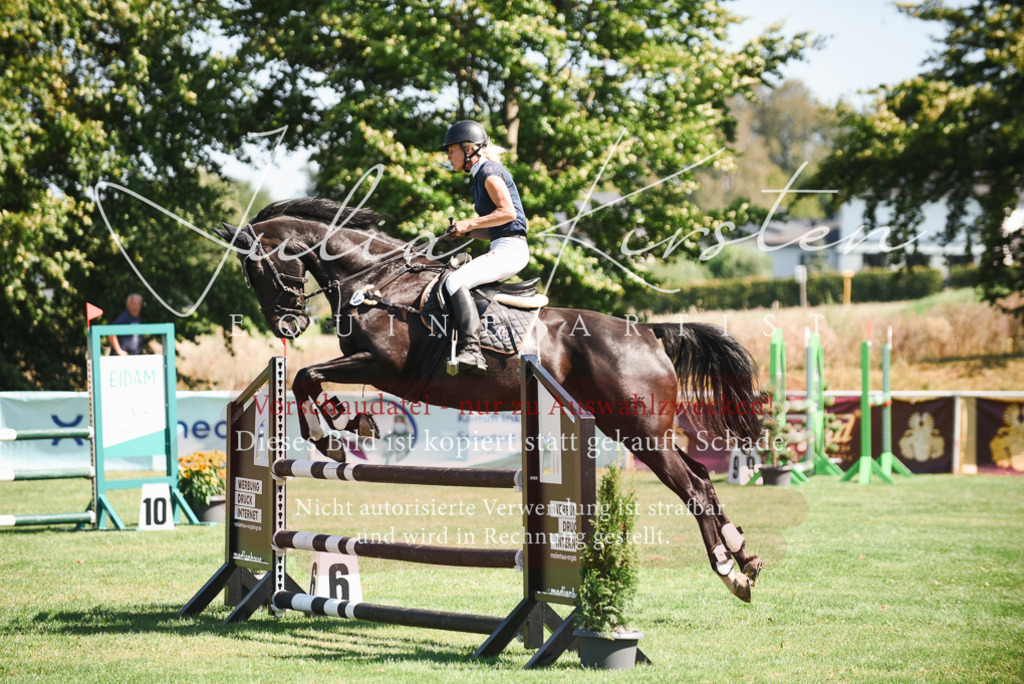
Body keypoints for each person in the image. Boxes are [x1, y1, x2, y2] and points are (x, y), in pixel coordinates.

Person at [439, 120, 530, 374]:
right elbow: (494, 228)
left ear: (468, 149)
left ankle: (472, 350)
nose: (449, 156)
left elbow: (508, 213)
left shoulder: (489, 172)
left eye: (451, 150)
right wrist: (465, 231)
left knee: (455, 282)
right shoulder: (479, 175)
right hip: (503, 243)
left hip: (511, 249)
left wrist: (469, 222)